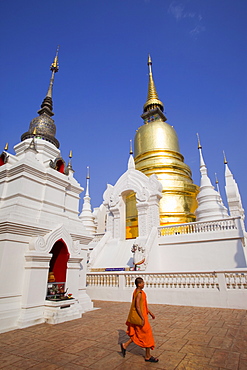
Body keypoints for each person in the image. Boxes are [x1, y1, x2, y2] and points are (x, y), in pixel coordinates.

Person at [120, 277, 159, 363]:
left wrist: (150, 312)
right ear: (139, 284)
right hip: (141, 318)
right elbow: (137, 306)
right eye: (142, 283)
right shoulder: (139, 293)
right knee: (147, 335)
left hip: (142, 315)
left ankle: (125, 345)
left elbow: (143, 306)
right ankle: (148, 356)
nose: (144, 284)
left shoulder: (137, 291)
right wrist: (142, 317)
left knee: (138, 334)